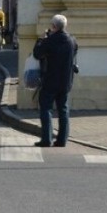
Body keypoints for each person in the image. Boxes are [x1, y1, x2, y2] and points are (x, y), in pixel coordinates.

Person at [32, 14, 79, 148]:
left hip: (50, 80)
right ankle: (62, 140)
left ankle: (46, 139)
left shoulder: (50, 41)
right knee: (63, 110)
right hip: (65, 81)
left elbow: (37, 54)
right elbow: (75, 52)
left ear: (53, 26)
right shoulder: (72, 40)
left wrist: (41, 39)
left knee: (46, 109)